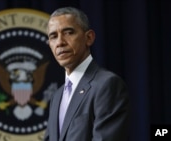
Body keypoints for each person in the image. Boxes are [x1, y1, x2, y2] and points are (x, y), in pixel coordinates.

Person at [44, 7, 130, 141]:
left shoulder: (107, 85)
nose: (60, 42)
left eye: (68, 33)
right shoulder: (57, 96)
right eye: (53, 36)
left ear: (89, 38)